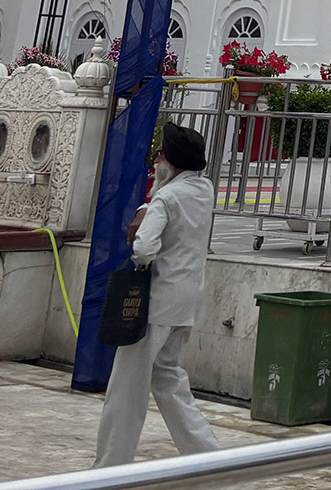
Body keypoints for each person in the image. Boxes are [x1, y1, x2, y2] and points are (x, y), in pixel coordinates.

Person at [92, 123, 222, 467]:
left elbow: (144, 247)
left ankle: (110, 466)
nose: (157, 161)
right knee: (168, 380)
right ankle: (209, 458)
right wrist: (149, 207)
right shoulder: (204, 189)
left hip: (155, 304)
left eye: (161, 155)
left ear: (173, 162)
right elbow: (172, 205)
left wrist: (142, 256)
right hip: (185, 302)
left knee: (126, 390)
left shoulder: (166, 197)